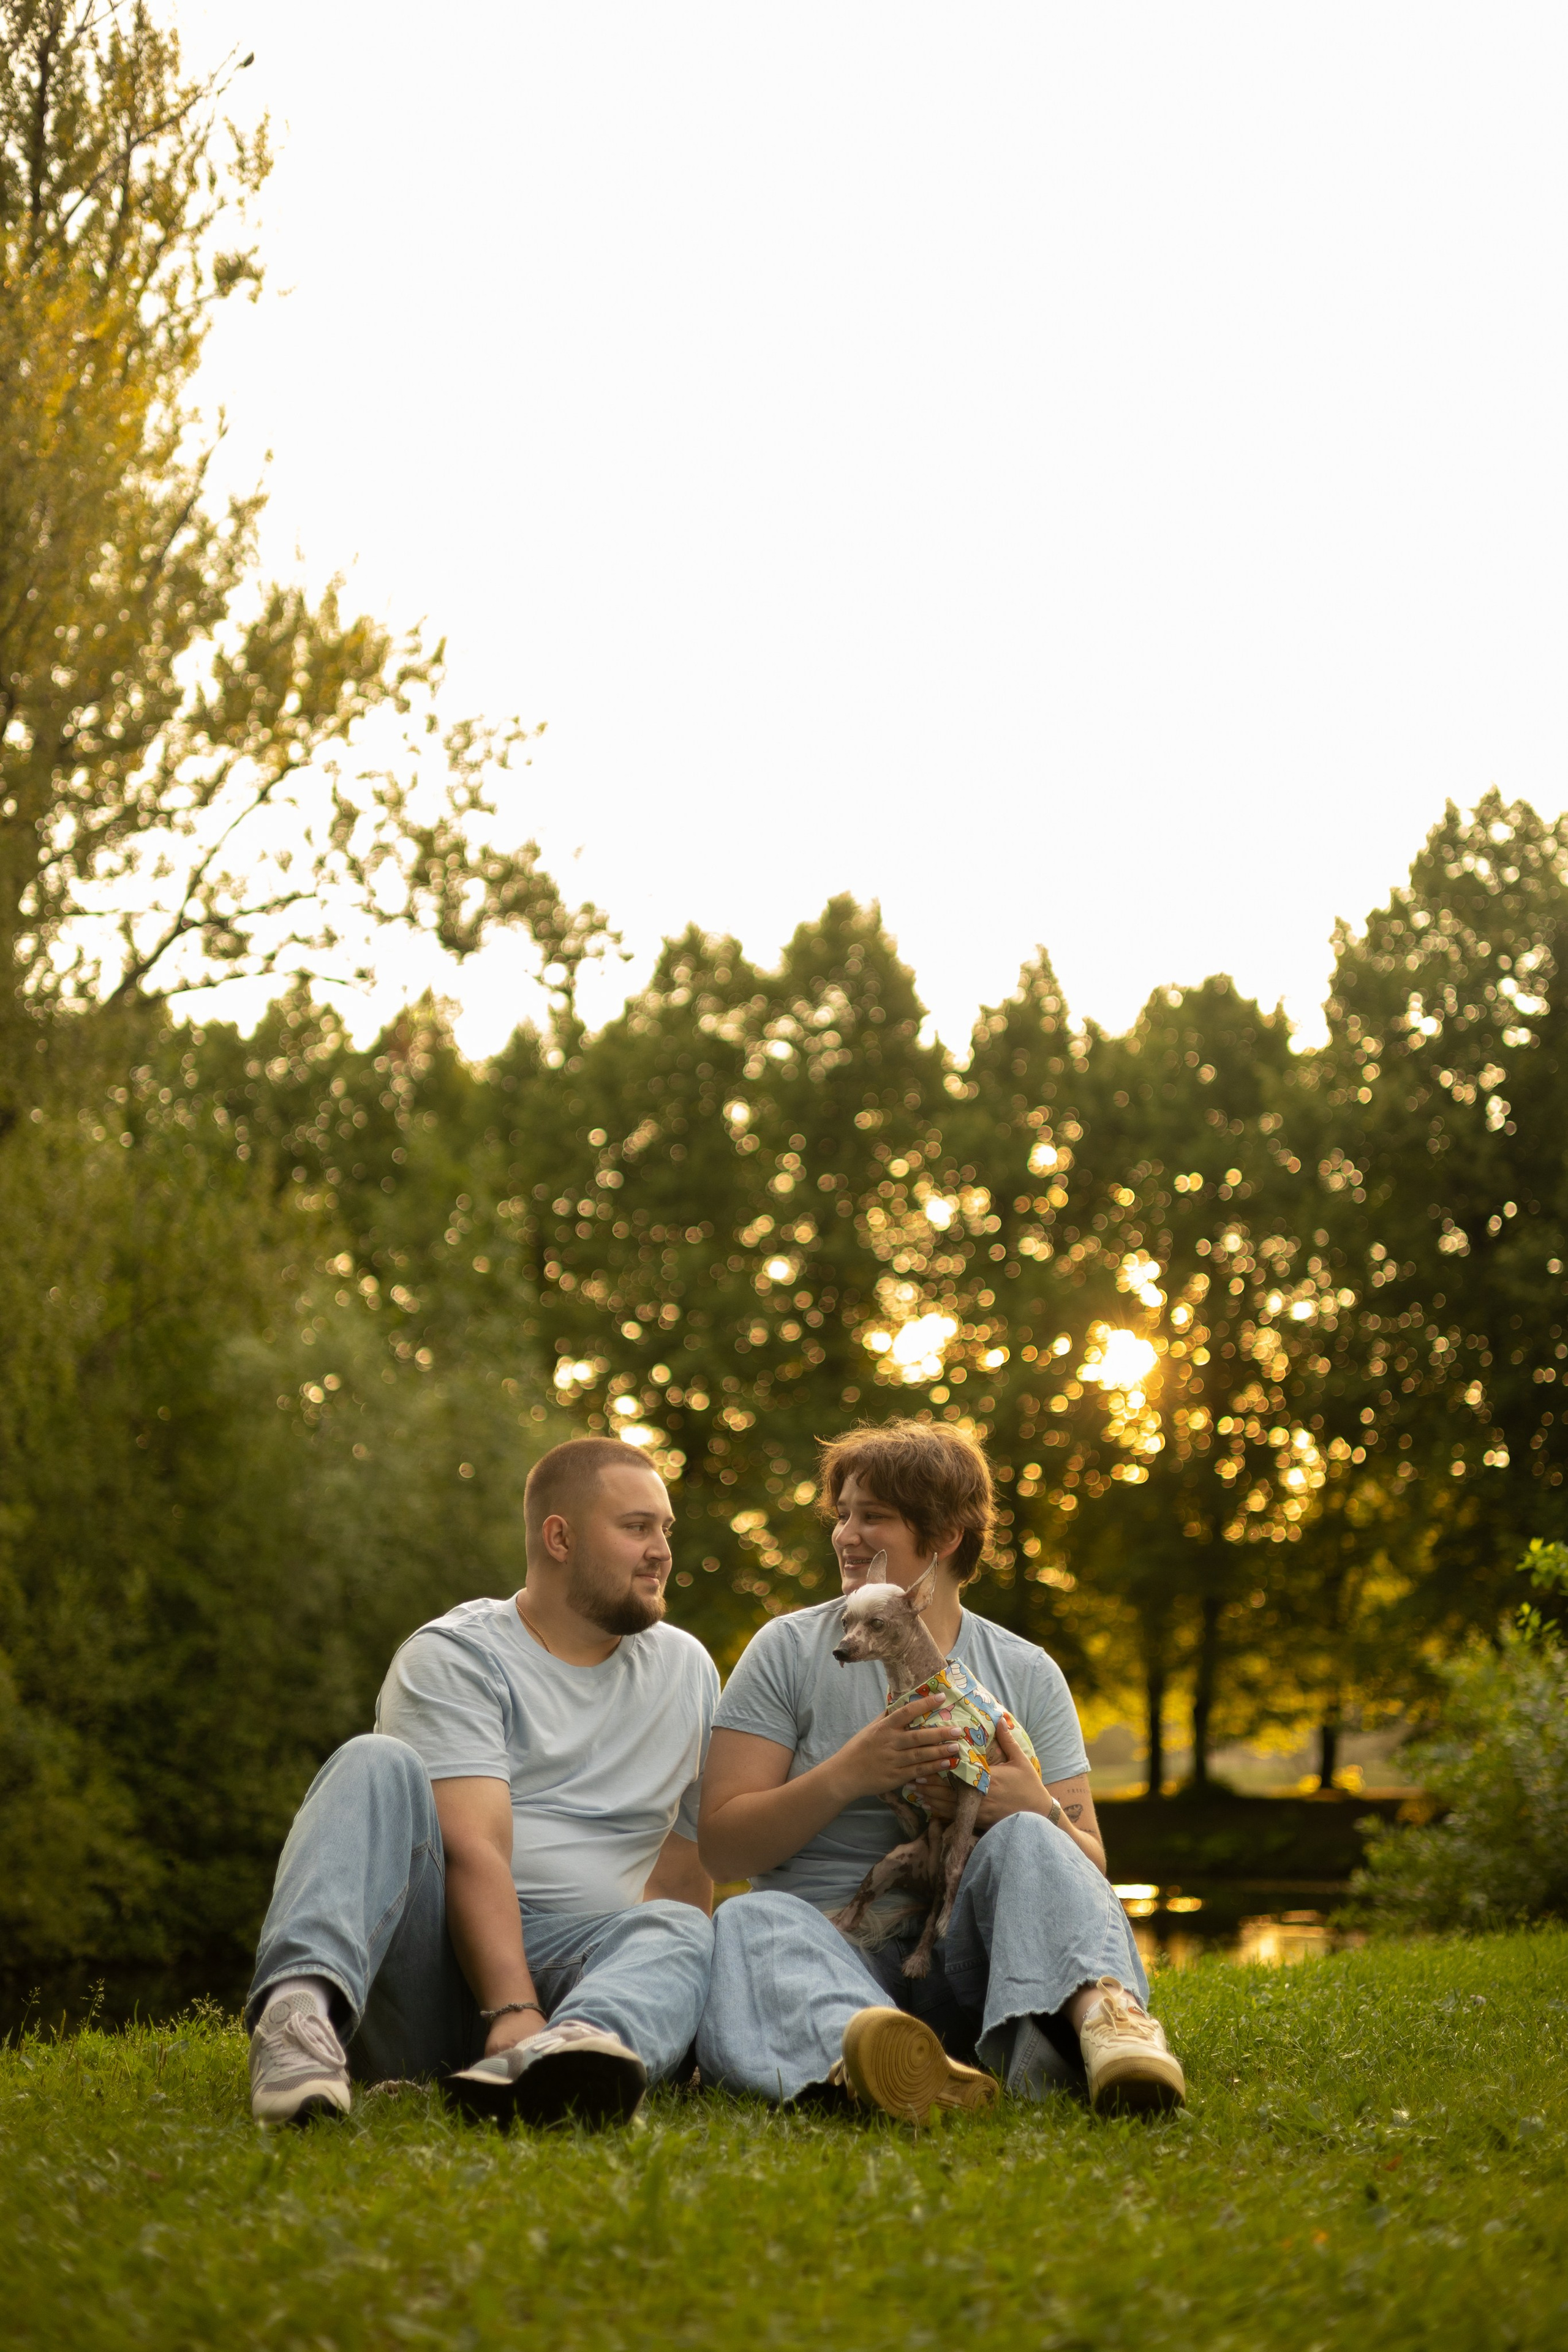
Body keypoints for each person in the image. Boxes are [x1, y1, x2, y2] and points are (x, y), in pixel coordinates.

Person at [695, 1419, 1185, 2120]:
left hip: (981, 1963)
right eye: (842, 1516)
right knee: (750, 1921)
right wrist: (847, 1773)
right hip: (834, 1946)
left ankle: (1111, 2026)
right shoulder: (787, 1649)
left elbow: (1087, 1865)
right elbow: (721, 1846)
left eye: (875, 1518)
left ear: (946, 1535)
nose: (846, 1535)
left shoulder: (1025, 1671)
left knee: (1026, 1837)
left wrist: (1033, 1807)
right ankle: (886, 2059)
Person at [246, 1438, 718, 2130]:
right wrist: (511, 2009)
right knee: (375, 1762)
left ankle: (574, 2057)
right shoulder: (456, 1654)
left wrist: (676, 2007)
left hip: (582, 1963)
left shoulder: (687, 1669)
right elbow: (474, 1849)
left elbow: (682, 1869)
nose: (661, 1551)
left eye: (664, 1530)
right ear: (560, 1537)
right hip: (438, 1975)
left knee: (679, 1928)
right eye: (636, 1527)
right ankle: (297, 2021)